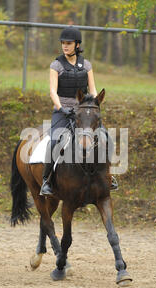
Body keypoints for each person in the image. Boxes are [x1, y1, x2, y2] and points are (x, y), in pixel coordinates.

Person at [40, 26, 118, 196]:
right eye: (63, 43)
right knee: (54, 141)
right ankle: (47, 180)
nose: (65, 46)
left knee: (106, 138)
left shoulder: (87, 65)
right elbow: (53, 91)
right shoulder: (56, 65)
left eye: (68, 43)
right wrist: (61, 108)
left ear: (77, 45)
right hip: (63, 111)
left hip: (85, 112)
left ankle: (109, 176)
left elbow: (93, 88)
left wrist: (95, 103)